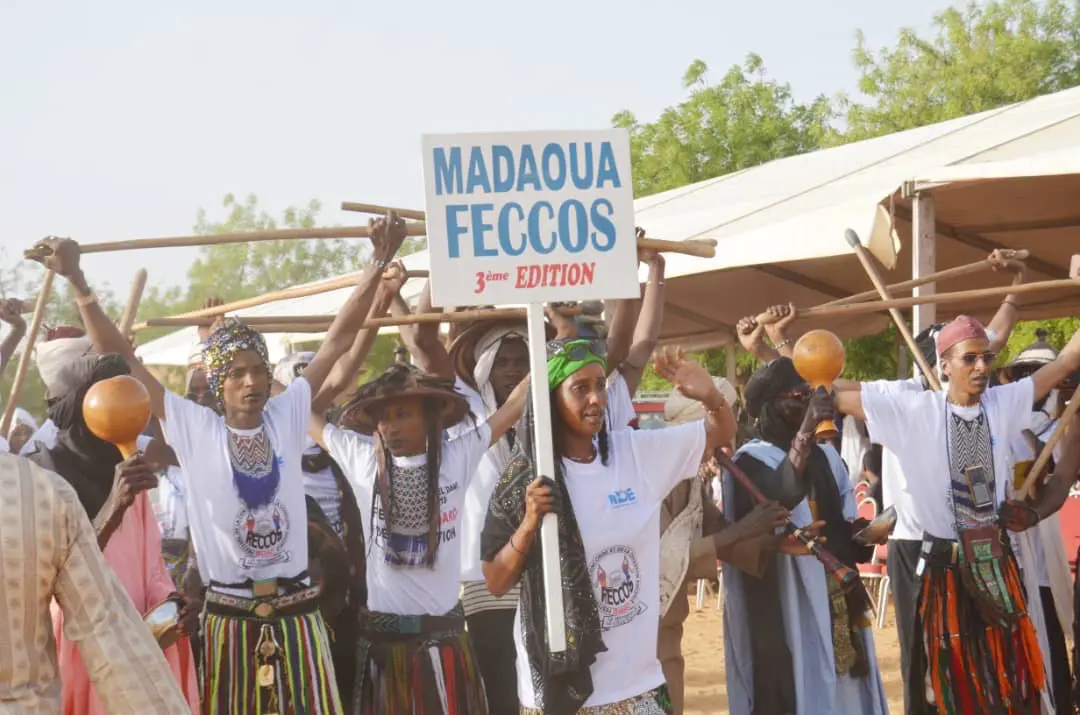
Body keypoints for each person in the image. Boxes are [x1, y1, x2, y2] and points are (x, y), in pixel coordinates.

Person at [28, 214, 407, 714]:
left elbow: (337, 340)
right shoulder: (194, 427)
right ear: (219, 383)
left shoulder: (286, 415)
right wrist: (79, 282)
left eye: (258, 371)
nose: (251, 382)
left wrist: (376, 264)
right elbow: (119, 354)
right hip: (230, 620)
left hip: (298, 616)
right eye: (237, 374)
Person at [835, 315, 1080, 714]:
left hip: (996, 566)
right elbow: (827, 391)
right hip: (940, 571)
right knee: (943, 686)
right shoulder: (912, 409)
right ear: (944, 365)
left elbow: (1068, 360)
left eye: (986, 358)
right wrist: (780, 349)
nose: (981, 367)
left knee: (1006, 680)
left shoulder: (1004, 402)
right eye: (970, 359)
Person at [481, 341, 738, 713]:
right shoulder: (525, 479)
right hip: (558, 693)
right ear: (551, 398)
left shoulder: (636, 454)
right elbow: (495, 580)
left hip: (637, 685)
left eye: (600, 385)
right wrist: (528, 524)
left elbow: (719, 433)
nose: (596, 399)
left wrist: (710, 395)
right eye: (580, 388)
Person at [311, 362, 528, 714]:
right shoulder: (362, 458)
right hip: (385, 648)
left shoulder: (456, 455)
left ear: (429, 419)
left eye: (402, 414)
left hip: (447, 644)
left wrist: (556, 344)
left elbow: (516, 404)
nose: (390, 427)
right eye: (383, 417)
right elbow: (298, 412)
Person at [23, 331, 200, 713]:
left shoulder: (124, 468)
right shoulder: (38, 475)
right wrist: (112, 509)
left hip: (139, 652)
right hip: (77, 656)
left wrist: (170, 605)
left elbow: (151, 568)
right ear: (76, 409)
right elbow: (48, 584)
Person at [720, 357, 886, 715]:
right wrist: (808, 429)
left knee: (846, 687)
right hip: (785, 598)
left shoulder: (828, 456)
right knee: (795, 687)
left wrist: (865, 533)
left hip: (834, 592)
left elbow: (842, 521)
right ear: (768, 405)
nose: (806, 403)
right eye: (796, 396)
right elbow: (779, 494)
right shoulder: (749, 460)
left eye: (809, 395)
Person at [0, 450, 192, 714]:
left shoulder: (44, 492)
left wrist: (169, 602)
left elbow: (147, 569)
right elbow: (106, 628)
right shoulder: (40, 489)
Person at [658, 377, 788, 715]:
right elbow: (663, 561)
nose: (728, 437)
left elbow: (720, 534)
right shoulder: (653, 479)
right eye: (722, 423)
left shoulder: (690, 481)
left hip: (669, 640)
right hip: (640, 646)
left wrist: (781, 545)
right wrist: (746, 527)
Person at [998, 330, 1074, 714]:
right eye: (1028, 372)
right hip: (1023, 547)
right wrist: (1031, 513)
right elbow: (1060, 480)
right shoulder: (1010, 424)